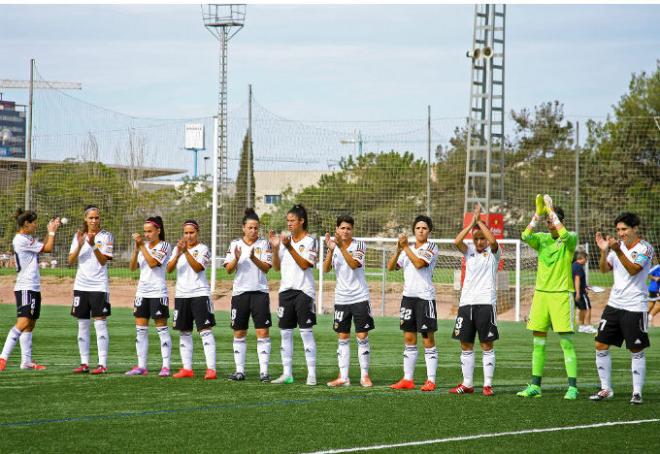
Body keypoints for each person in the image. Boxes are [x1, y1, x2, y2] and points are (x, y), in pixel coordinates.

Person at [517, 194, 579, 400]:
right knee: (538, 343)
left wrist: (551, 210)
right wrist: (538, 214)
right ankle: (535, 385)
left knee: (566, 343)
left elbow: (565, 235)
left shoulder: (570, 238)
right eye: (548, 220)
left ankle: (572, 387)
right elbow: (525, 236)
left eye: (552, 220)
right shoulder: (542, 239)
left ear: (559, 221)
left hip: (562, 295)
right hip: (541, 296)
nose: (549, 223)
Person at [591, 213, 654, 404]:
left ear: (635, 229)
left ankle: (636, 392)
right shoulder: (615, 248)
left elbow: (634, 269)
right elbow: (603, 270)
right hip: (614, 304)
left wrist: (617, 250)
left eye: (624, 229)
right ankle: (606, 388)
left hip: (636, 305)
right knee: (600, 344)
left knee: (636, 348)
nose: (621, 233)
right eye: (618, 230)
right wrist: (603, 251)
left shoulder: (645, 248)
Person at [0, 209, 60, 371]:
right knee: (23, 322)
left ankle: (26, 362)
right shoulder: (20, 239)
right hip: (25, 286)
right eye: (34, 222)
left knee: (30, 324)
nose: (36, 225)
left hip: (32, 286)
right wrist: (52, 232)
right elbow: (48, 248)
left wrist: (50, 230)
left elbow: (43, 247)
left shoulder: (27, 238)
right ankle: (2, 357)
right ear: (26, 223)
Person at [450, 204, 499, 396]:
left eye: (482, 239)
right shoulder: (468, 251)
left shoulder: (494, 253)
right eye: (476, 239)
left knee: (486, 344)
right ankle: (467, 383)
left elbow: (493, 240)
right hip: (466, 304)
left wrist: (480, 222)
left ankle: (487, 384)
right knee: (465, 344)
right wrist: (472, 224)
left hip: (485, 303)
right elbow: (456, 241)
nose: (479, 242)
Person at [388, 215, 439, 392]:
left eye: (424, 228)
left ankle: (431, 380)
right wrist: (397, 249)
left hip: (425, 298)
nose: (421, 231)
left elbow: (419, 263)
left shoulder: (431, 247)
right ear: (414, 230)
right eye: (418, 228)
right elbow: (391, 267)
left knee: (427, 339)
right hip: (408, 297)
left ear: (429, 231)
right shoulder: (405, 249)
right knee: (409, 338)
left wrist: (405, 248)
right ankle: (407, 379)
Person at [269, 204, 318, 385]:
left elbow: (305, 265)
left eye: (292, 220)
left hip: (304, 291)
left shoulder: (310, 241)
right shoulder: (284, 241)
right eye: (287, 221)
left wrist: (289, 248)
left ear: (301, 221)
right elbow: (276, 267)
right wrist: (275, 248)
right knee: (285, 333)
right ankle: (287, 373)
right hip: (285, 291)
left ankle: (311, 373)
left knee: (306, 332)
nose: (289, 224)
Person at [324, 215, 374, 388]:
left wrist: (339, 247)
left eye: (348, 228)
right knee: (343, 337)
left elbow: (354, 264)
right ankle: (343, 377)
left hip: (360, 297)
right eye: (342, 228)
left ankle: (365, 376)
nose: (345, 231)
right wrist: (330, 249)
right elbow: (324, 269)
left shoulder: (359, 245)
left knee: (362, 336)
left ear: (352, 230)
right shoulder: (334, 247)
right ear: (337, 229)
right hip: (341, 298)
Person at [224, 209, 273, 382]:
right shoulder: (235, 244)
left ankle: (264, 372)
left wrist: (253, 258)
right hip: (240, 294)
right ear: (243, 228)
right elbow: (229, 270)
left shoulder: (264, 244)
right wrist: (237, 258)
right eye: (250, 227)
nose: (253, 231)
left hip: (260, 292)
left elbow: (267, 268)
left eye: (256, 228)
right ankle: (240, 371)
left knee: (262, 331)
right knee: (239, 332)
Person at [166, 219, 217, 380]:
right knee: (184, 332)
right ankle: (187, 368)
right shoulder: (178, 249)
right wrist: (179, 253)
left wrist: (186, 252)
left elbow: (198, 268)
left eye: (191, 233)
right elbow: (168, 269)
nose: (188, 236)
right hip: (182, 295)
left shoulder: (203, 249)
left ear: (197, 233)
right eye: (186, 233)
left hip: (200, 294)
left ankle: (211, 369)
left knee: (205, 331)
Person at [68, 205, 114, 375]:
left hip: (99, 286)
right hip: (81, 286)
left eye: (97, 217)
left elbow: (103, 261)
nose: (94, 220)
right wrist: (80, 244)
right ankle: (84, 362)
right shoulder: (78, 236)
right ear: (85, 219)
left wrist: (93, 245)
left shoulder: (106, 236)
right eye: (91, 218)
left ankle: (102, 364)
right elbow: (71, 260)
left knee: (100, 323)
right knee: (82, 325)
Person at [125, 216, 173, 377]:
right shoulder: (142, 246)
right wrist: (136, 249)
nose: (147, 235)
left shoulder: (164, 245)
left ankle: (165, 366)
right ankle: (141, 366)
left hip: (158, 292)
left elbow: (153, 264)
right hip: (142, 292)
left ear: (158, 231)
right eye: (145, 231)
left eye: (150, 231)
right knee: (140, 330)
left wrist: (142, 247)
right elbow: (132, 268)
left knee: (162, 329)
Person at [573, 251, 596, 334]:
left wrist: (585, 286)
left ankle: (582, 326)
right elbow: (577, 279)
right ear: (582, 258)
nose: (586, 261)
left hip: (577, 291)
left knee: (582, 309)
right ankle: (588, 326)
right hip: (580, 293)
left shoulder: (574, 265)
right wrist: (579, 292)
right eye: (586, 259)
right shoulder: (579, 267)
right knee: (588, 308)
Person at [647, 259, 660, 325]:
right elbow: (648, 273)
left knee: (651, 305)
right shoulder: (657, 267)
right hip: (654, 289)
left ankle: (646, 318)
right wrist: (655, 278)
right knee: (651, 305)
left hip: (657, 289)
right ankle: (647, 318)